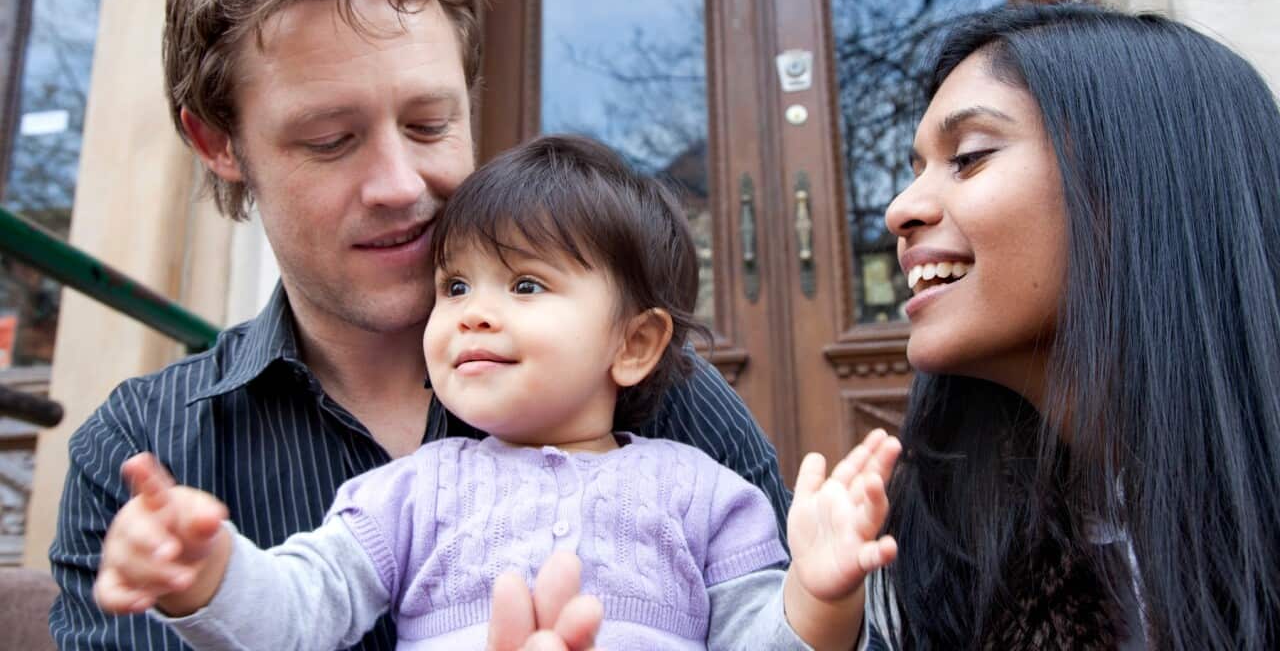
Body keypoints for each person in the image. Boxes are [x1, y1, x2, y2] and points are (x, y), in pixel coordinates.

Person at [48, 0, 791, 650]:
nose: (401, 185)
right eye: (331, 140)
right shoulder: (146, 455)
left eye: (430, 124)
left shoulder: (658, 391)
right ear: (217, 143)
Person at [91, 135, 903, 650]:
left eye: (522, 284)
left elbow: (763, 643)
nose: (472, 314)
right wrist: (208, 575)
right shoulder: (408, 491)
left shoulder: (703, 494)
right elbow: (301, 608)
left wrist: (819, 594)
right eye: (452, 286)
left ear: (636, 343)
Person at [857, 3, 1280, 649]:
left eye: (968, 157)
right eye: (916, 171)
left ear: (1141, 181)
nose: (899, 211)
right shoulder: (946, 554)